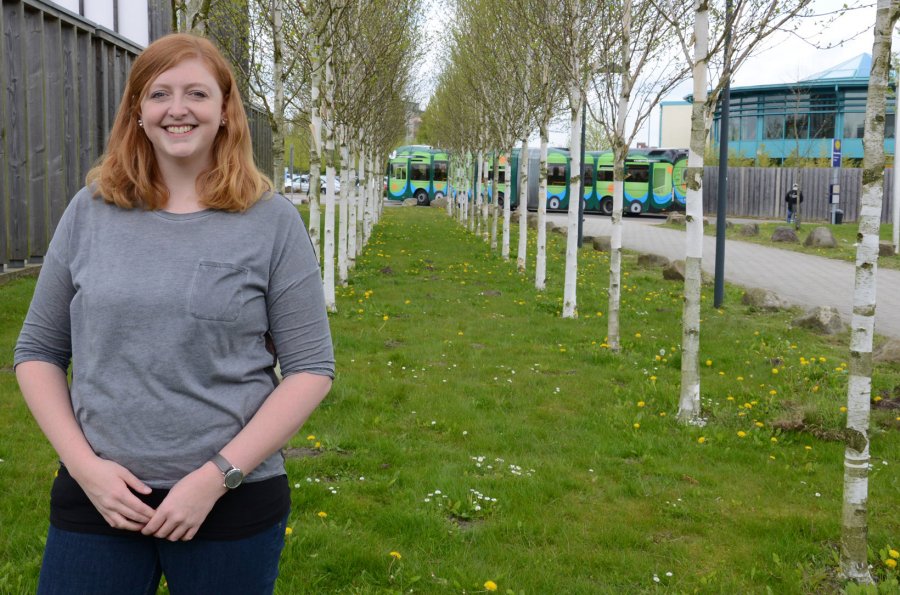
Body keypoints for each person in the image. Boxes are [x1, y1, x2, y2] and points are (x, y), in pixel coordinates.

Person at [14, 33, 334, 595]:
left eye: (197, 94)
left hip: (229, 502)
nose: (178, 109)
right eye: (159, 94)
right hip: (100, 499)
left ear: (225, 111)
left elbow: (310, 369)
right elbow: (37, 352)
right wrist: (87, 471)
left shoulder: (272, 222)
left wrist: (216, 478)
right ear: (137, 112)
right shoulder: (89, 211)